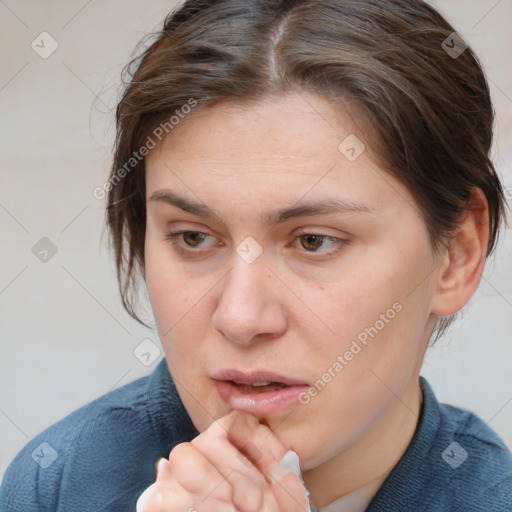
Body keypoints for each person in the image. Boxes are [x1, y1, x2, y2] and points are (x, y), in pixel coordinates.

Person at [1, 0, 511, 510]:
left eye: (314, 241)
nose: (240, 319)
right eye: (193, 237)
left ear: (456, 254)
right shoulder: (57, 485)